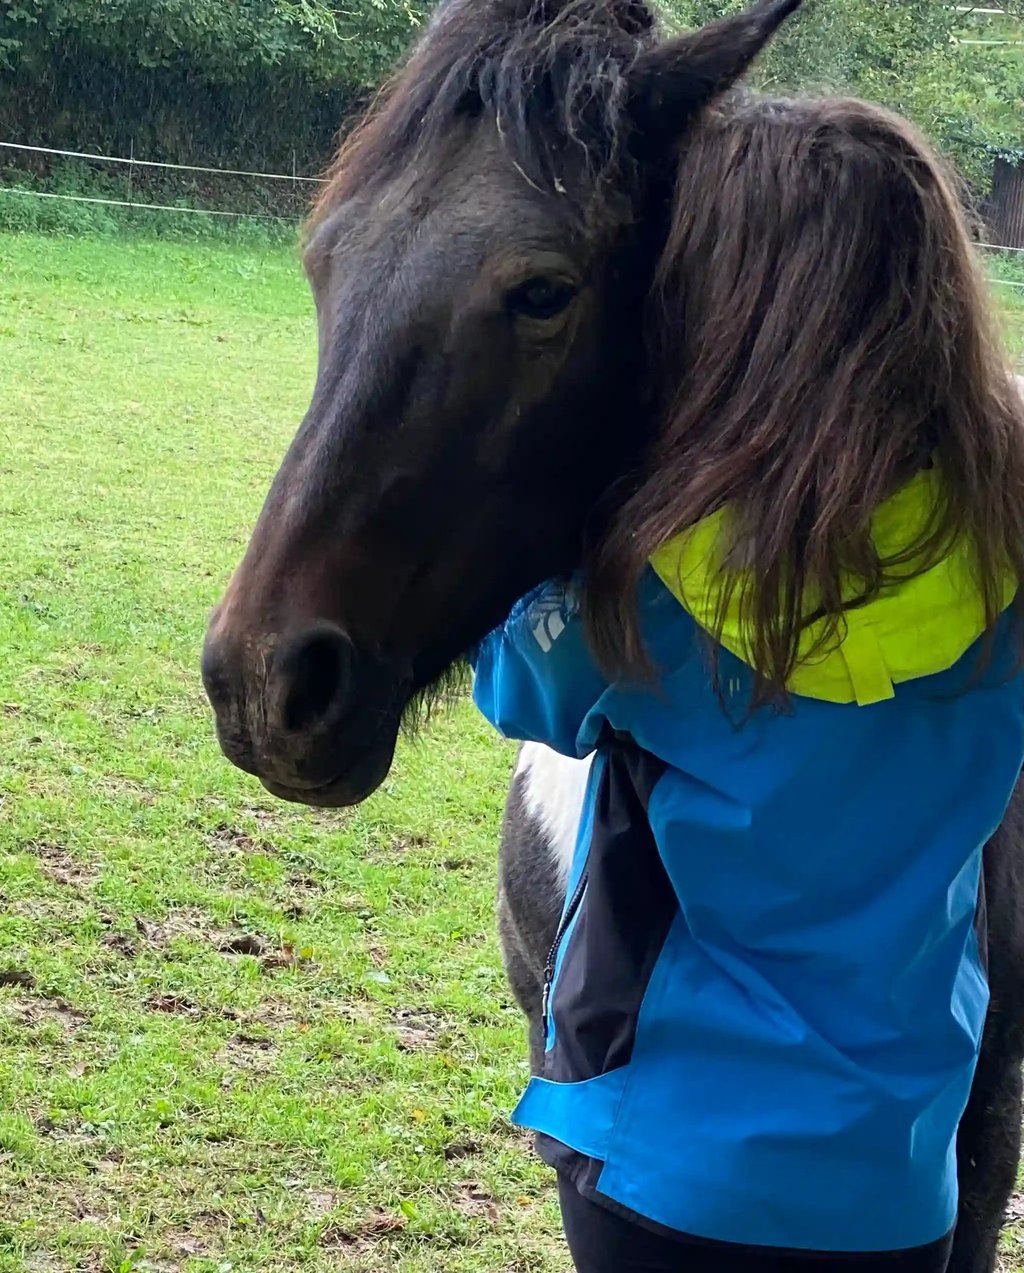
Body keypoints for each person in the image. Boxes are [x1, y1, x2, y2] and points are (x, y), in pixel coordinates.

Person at [471, 95, 1024, 1273]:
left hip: (663, 1164)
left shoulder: (652, 581)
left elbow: (515, 693)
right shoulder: (1005, 570)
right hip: (897, 1183)